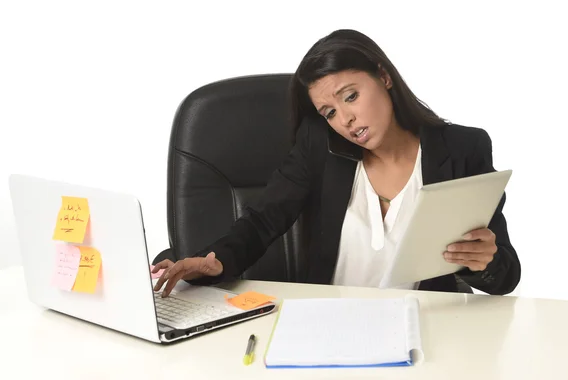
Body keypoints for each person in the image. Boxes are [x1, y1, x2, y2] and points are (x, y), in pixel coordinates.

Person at [153, 29, 521, 298]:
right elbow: (264, 218)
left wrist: (485, 260)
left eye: (351, 96)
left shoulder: (463, 148)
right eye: (329, 111)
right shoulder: (321, 146)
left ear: (384, 76)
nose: (345, 119)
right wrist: (216, 261)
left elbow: (506, 277)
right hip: (327, 324)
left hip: (423, 331)